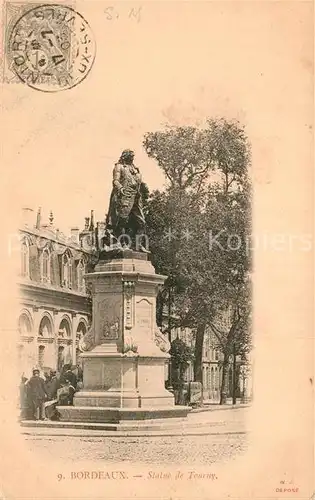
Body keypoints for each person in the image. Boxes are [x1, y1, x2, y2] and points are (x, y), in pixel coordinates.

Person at [105, 149, 149, 250]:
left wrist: (144, 188)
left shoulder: (135, 169)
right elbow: (115, 181)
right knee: (122, 220)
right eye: (131, 156)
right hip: (124, 196)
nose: (132, 158)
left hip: (136, 197)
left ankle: (138, 245)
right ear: (125, 156)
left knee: (141, 221)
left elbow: (139, 182)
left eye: (133, 157)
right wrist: (120, 188)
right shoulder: (119, 167)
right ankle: (122, 243)